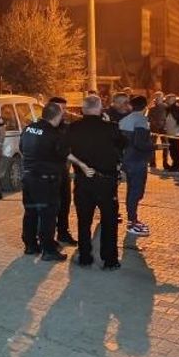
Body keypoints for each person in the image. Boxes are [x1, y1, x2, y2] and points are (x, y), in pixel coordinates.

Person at [19, 103, 90, 262]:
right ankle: (48, 250)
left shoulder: (29, 129)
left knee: (30, 212)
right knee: (48, 215)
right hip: (46, 181)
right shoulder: (54, 134)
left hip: (28, 177)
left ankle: (30, 245)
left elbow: (22, 148)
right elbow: (63, 154)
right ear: (57, 116)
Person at [67, 95, 126, 270]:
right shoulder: (111, 127)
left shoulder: (73, 128)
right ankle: (110, 260)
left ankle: (85, 257)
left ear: (83, 109)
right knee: (109, 221)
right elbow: (124, 143)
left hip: (83, 180)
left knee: (84, 220)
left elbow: (65, 149)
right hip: (106, 182)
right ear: (100, 109)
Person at [119, 96, 156, 236]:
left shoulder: (124, 120)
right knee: (136, 192)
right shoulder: (141, 120)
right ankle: (132, 221)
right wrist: (155, 146)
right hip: (137, 161)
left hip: (127, 160)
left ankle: (132, 218)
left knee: (132, 191)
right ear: (145, 107)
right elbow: (140, 143)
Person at [48, 96, 77, 246]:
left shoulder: (67, 127)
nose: (64, 112)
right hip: (48, 174)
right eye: (61, 109)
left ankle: (63, 233)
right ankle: (47, 237)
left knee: (65, 203)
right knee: (50, 206)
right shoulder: (44, 128)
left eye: (65, 109)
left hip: (64, 172)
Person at [148, 91, 167, 170]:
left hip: (164, 129)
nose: (157, 98)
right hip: (154, 128)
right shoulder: (151, 108)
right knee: (152, 146)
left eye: (159, 97)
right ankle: (152, 163)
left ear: (162, 98)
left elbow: (169, 118)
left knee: (165, 146)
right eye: (156, 97)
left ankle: (165, 163)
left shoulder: (166, 107)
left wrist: (164, 124)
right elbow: (149, 118)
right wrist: (154, 122)